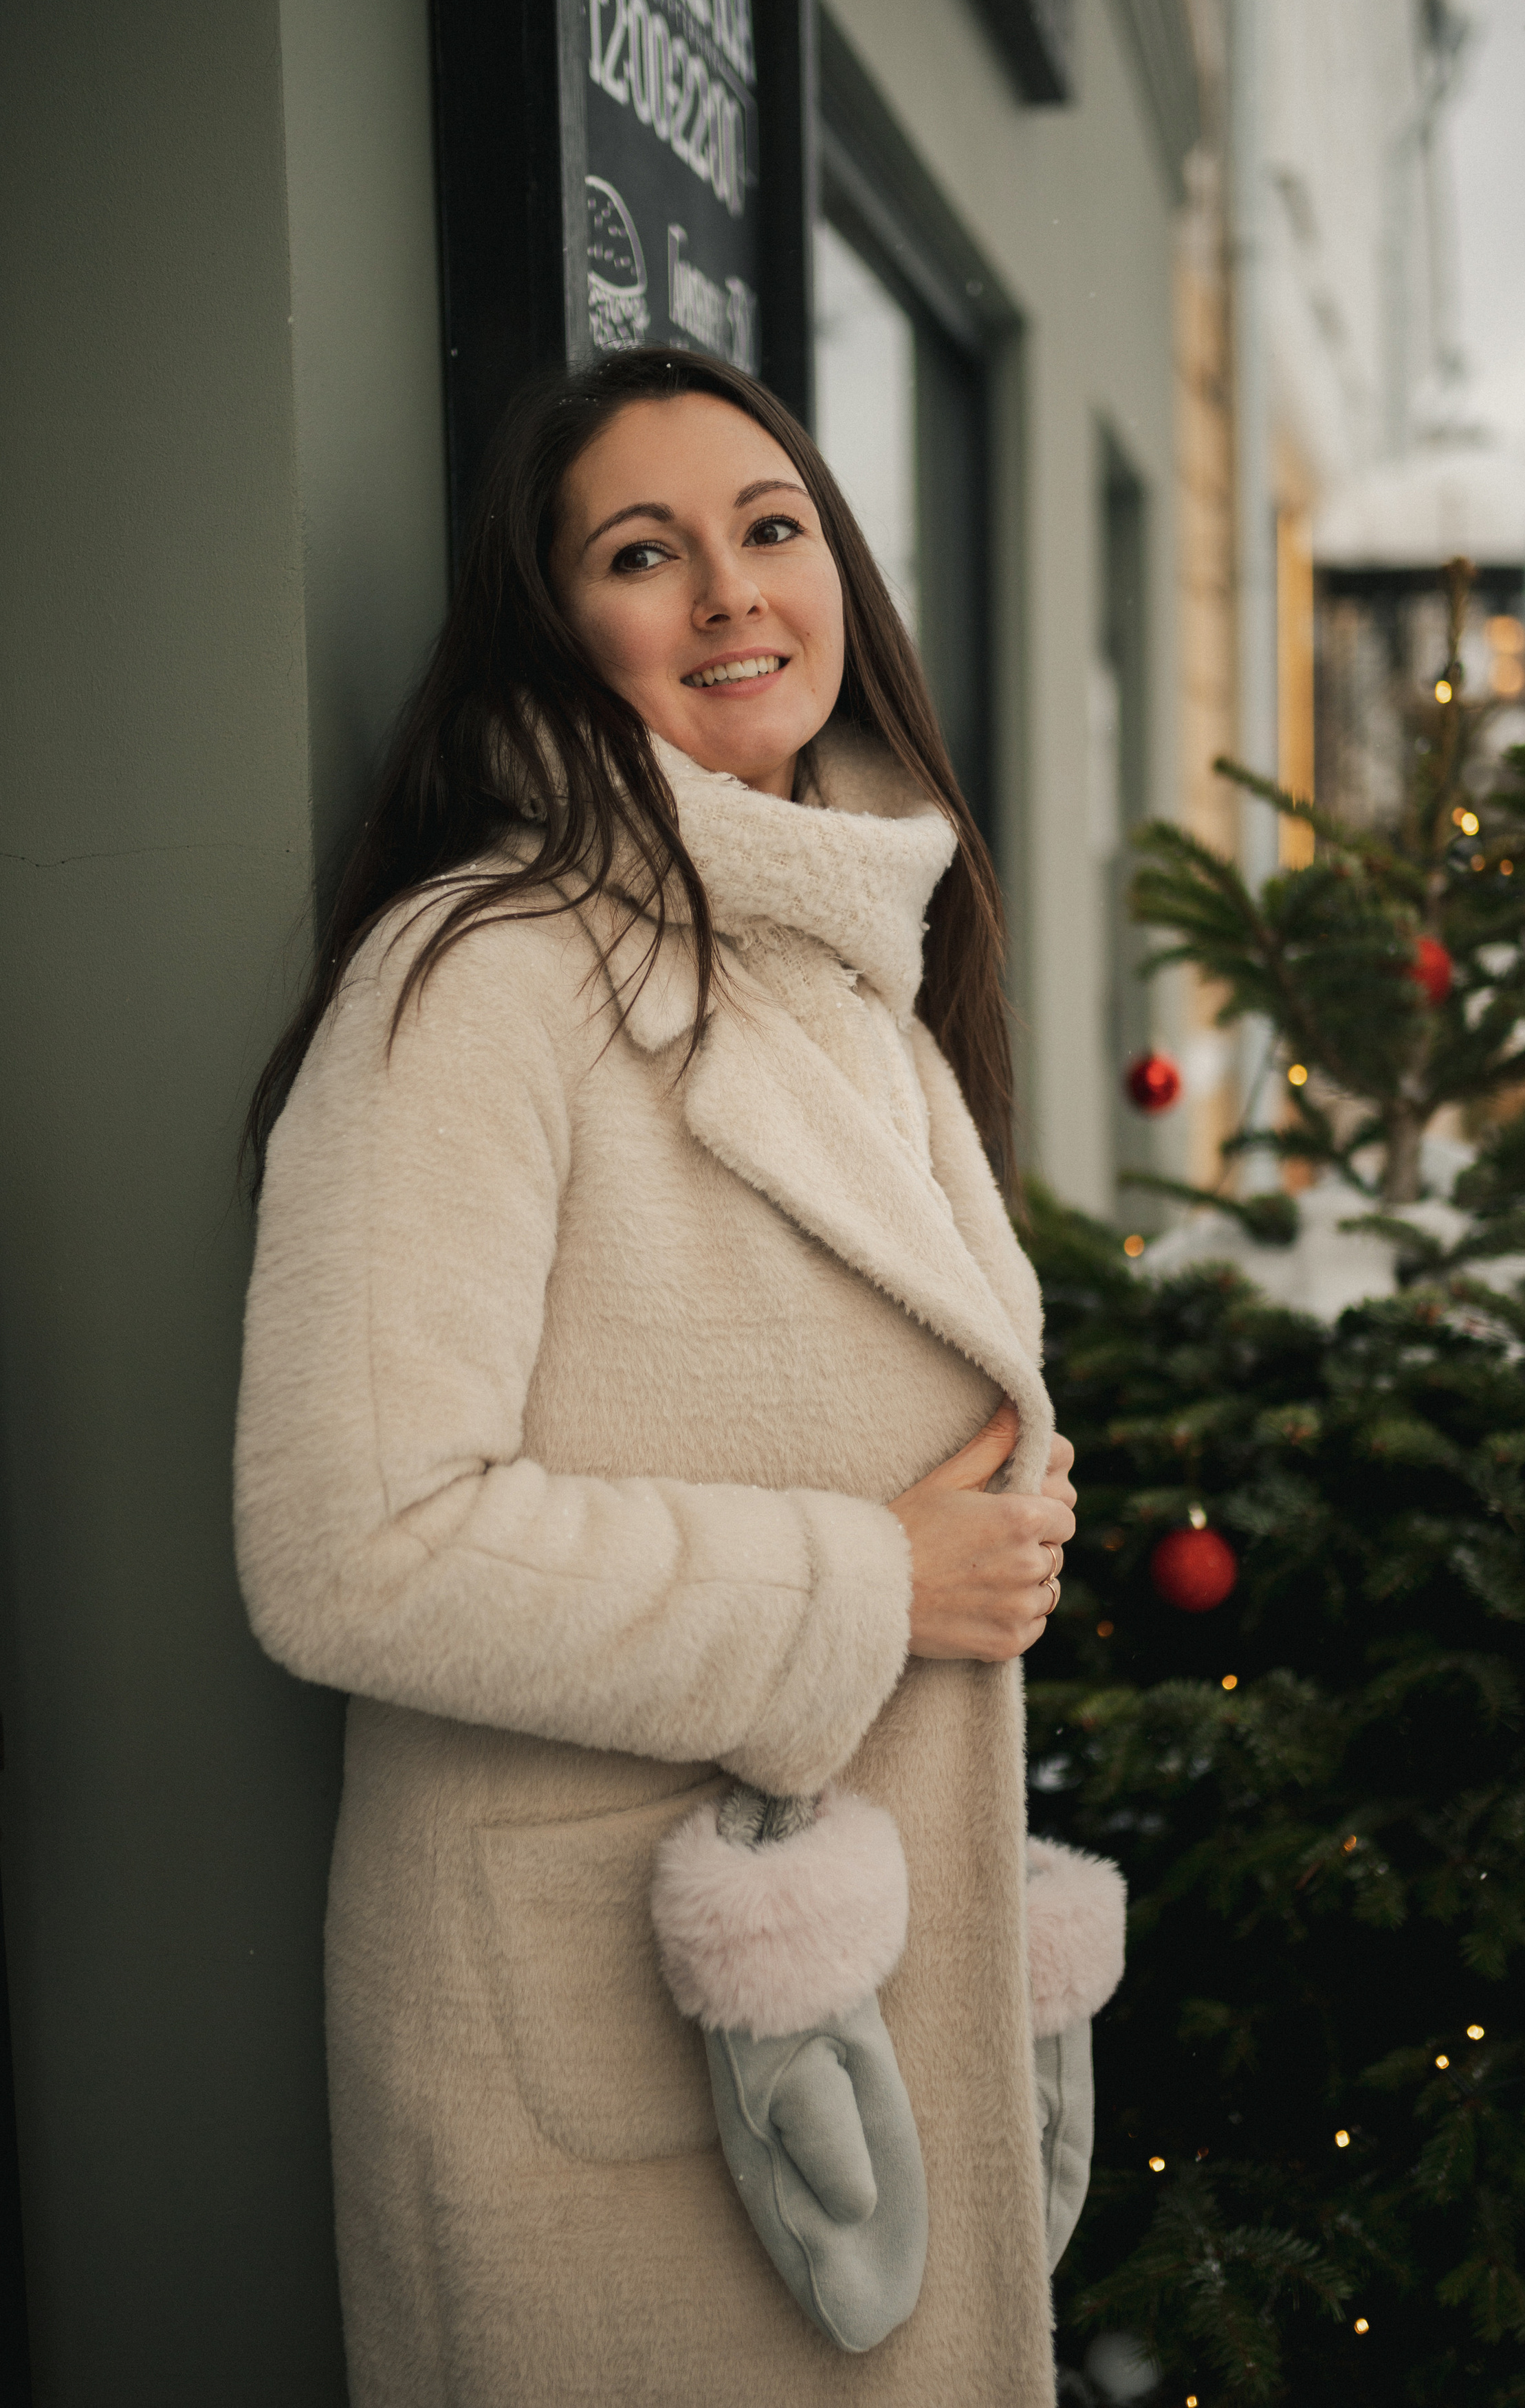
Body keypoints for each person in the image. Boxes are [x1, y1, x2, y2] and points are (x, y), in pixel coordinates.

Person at [234, 346, 1083, 2405]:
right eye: (645, 552)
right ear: (558, 624)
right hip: (614, 2070)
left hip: (840, 2014)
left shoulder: (854, 966)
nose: (730, 594)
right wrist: (874, 1586)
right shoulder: (485, 976)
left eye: (771, 529)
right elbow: (353, 1547)